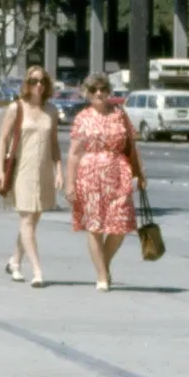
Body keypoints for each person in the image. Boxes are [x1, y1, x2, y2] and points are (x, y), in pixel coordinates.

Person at [65, 73, 146, 292]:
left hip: (119, 172)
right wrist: (69, 183)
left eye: (103, 89)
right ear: (87, 94)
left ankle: (104, 263)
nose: (99, 93)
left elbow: (132, 144)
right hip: (90, 175)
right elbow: (73, 153)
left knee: (120, 225)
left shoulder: (120, 114)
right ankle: (102, 276)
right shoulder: (83, 117)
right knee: (95, 226)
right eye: (94, 90)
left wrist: (140, 174)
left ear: (109, 91)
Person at [0, 66, 63, 287]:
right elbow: (2, 140)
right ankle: (37, 270)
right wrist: (1, 171)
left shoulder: (51, 110)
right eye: (33, 81)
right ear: (27, 83)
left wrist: (59, 170)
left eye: (42, 81)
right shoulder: (16, 108)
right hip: (22, 171)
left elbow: (54, 143)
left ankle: (14, 261)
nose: (38, 85)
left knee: (33, 220)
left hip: (43, 171)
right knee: (26, 221)